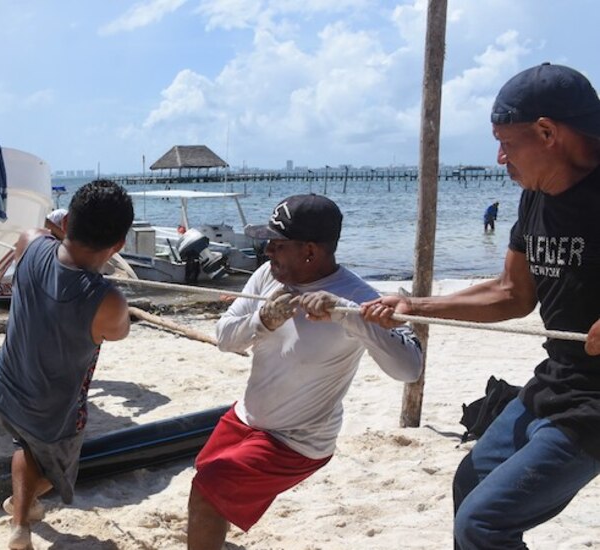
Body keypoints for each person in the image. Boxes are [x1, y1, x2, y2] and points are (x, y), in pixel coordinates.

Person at [363, 62, 600, 549]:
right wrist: (415, 305)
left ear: (548, 132)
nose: (498, 157)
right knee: (469, 480)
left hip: (595, 405)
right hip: (558, 381)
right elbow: (511, 293)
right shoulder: (535, 195)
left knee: (483, 524)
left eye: (507, 143)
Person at [187, 193, 424, 549]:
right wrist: (262, 319)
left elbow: (409, 369)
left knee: (208, 491)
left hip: (296, 440)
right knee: (205, 480)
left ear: (310, 251)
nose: (267, 252)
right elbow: (224, 338)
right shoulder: (268, 275)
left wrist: (345, 313)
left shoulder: (359, 298)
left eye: (277, 245)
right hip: (246, 416)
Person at [0, 180, 134, 549]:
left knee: (25, 444)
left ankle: (21, 522)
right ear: (118, 246)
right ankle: (22, 511)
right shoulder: (108, 300)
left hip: (4, 387)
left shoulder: (29, 243)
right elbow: (118, 333)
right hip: (54, 411)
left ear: (66, 222)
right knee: (55, 470)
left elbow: (39, 233)